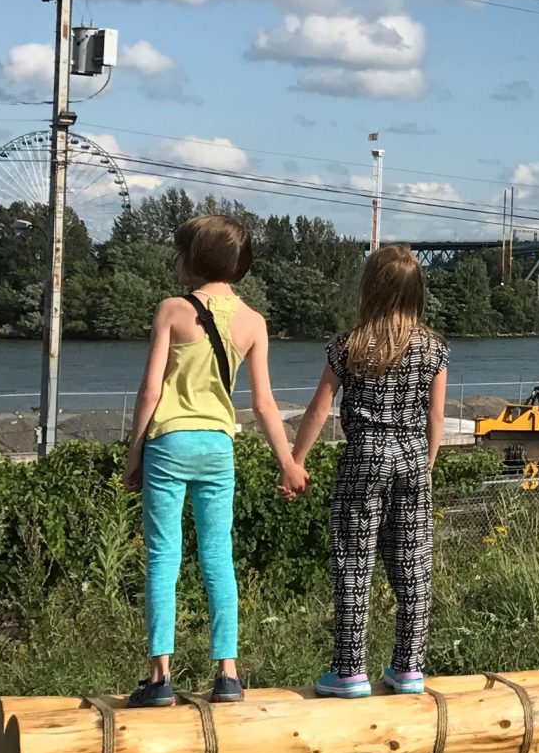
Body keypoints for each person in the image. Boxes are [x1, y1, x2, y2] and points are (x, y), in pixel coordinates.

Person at [119, 213, 302, 708]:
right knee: (217, 555)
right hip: (218, 446)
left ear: (193, 259)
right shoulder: (254, 322)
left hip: (170, 443)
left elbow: (150, 390)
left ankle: (160, 678)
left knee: (164, 556)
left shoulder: (172, 310)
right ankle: (228, 675)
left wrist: (134, 453)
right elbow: (264, 402)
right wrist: (288, 462)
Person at [287, 244, 448, 698]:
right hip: (412, 455)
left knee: (354, 562)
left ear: (370, 289)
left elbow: (320, 407)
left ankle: (349, 671)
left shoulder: (349, 345)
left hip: (364, 456)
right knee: (413, 565)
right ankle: (409, 669)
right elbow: (436, 415)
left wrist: (296, 460)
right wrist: (427, 462)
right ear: (416, 292)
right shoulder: (434, 348)